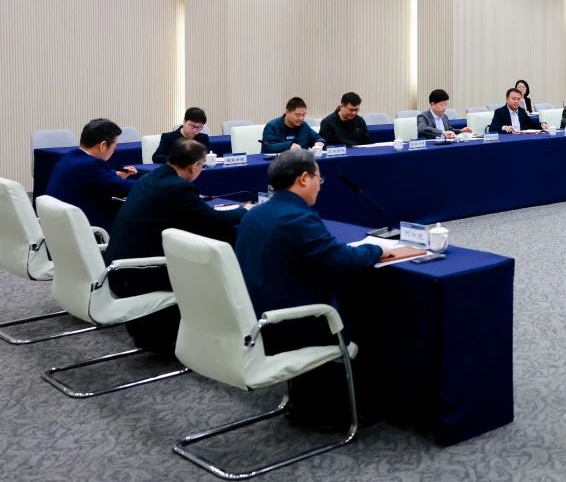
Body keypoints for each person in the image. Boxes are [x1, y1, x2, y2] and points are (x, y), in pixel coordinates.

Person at [235, 149, 419, 428]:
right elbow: (340, 260)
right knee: (374, 312)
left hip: (257, 313)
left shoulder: (255, 214)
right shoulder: (296, 218)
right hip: (291, 323)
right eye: (319, 179)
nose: (320, 186)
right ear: (304, 178)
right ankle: (344, 409)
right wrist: (377, 249)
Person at [105, 139, 247, 352]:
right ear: (194, 166)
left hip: (118, 264)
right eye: (202, 165)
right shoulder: (178, 188)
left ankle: (156, 334)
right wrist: (245, 210)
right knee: (212, 269)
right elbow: (214, 221)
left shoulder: (152, 177)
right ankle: (208, 338)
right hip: (136, 273)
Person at [45, 118, 137, 230]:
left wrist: (115, 174)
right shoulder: (92, 165)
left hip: (58, 227)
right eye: (114, 146)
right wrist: (152, 181)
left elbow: (92, 177)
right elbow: (124, 188)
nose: (114, 151)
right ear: (103, 145)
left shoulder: (70, 156)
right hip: (87, 229)